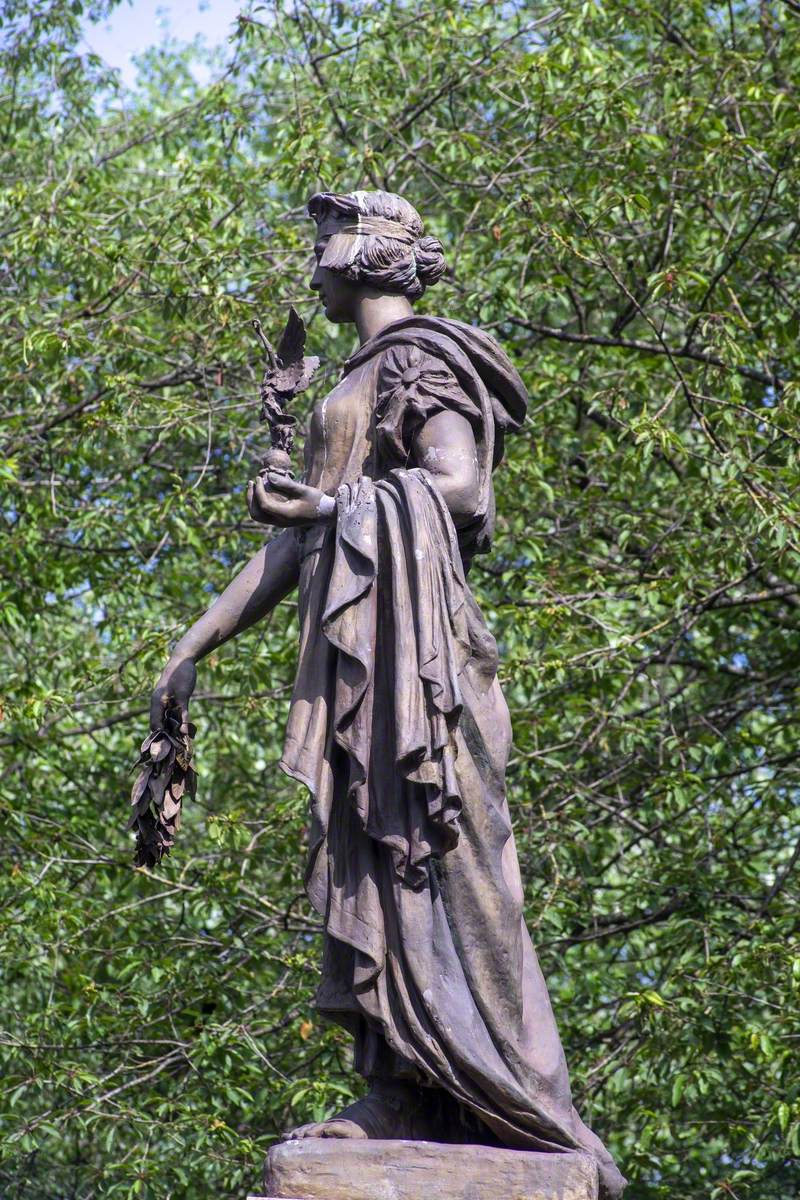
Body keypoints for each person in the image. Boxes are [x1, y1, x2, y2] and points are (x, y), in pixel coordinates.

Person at [150, 189, 626, 1199]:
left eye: (321, 239)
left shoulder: (421, 360)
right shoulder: (352, 375)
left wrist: (328, 502)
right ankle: (403, 1086)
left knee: (444, 860)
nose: (310, 258)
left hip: (420, 668)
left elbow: (457, 488)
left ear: (369, 251)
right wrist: (189, 647)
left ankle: (518, 1095)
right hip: (362, 654)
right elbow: (293, 541)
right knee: (375, 859)